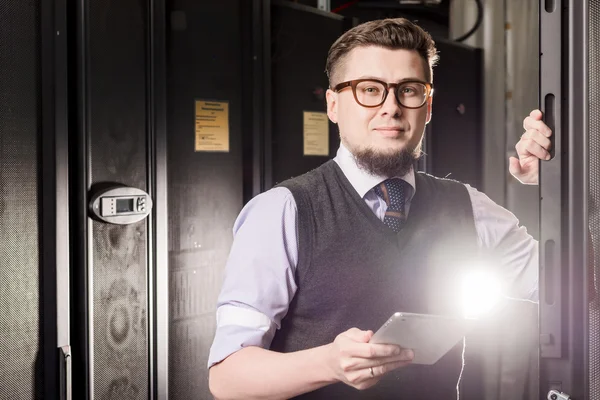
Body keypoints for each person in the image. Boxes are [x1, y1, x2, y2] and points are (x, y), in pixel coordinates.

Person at [208, 18, 551, 400]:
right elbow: (228, 378)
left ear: (429, 106)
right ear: (333, 104)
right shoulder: (281, 213)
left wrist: (557, 189)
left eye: (409, 90)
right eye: (369, 90)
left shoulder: (469, 208)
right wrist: (329, 363)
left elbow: (577, 287)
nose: (391, 107)